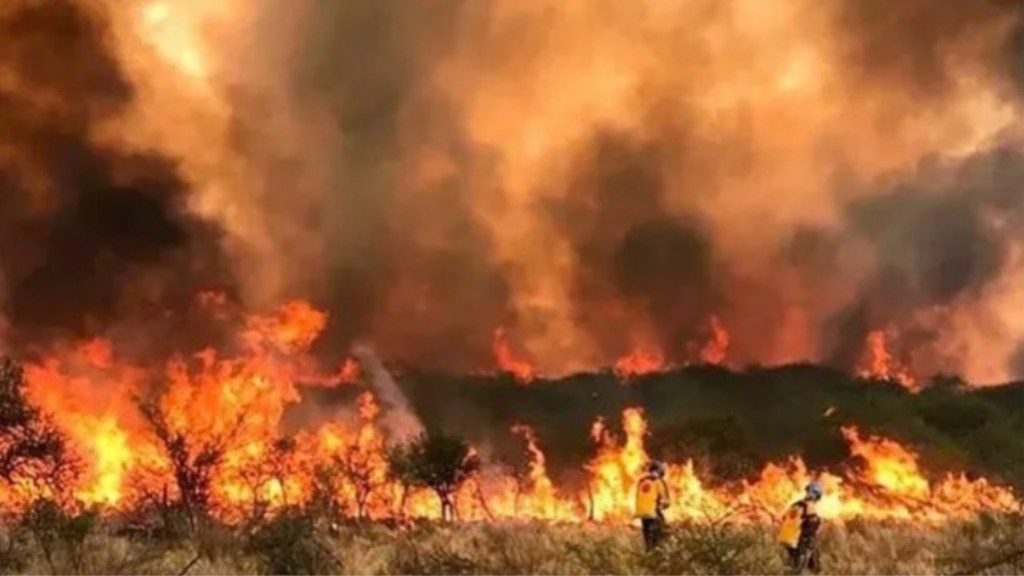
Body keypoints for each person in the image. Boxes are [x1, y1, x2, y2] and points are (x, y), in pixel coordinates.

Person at [778, 481, 824, 574]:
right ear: (816, 496)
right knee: (797, 571)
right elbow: (812, 527)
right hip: (799, 544)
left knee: (788, 567)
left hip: (785, 540)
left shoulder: (795, 505)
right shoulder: (809, 506)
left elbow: (784, 519)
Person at [635, 460, 670, 551]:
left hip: (641, 513)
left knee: (647, 535)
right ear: (660, 471)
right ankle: (658, 551)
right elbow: (665, 501)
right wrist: (664, 505)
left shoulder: (641, 481)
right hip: (652, 512)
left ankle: (648, 551)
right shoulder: (658, 482)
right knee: (663, 530)